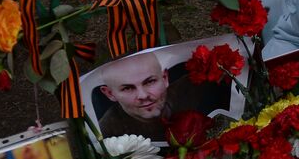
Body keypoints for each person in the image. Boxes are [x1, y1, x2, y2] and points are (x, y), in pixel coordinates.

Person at [95, 52, 226, 143]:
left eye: (150, 82)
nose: (143, 96)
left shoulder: (191, 87)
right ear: (110, 93)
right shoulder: (106, 130)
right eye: (128, 88)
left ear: (165, 78)